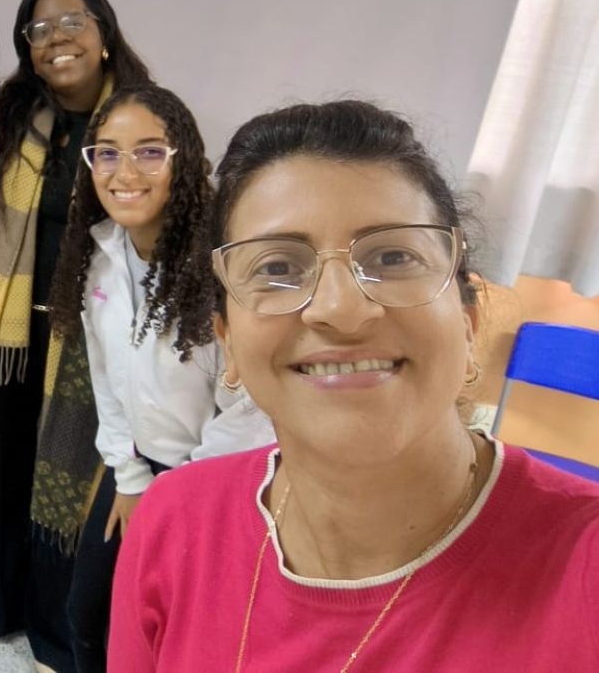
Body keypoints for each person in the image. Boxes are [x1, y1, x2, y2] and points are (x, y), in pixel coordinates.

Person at [109, 100, 599, 671]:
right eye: (277, 268)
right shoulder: (174, 521)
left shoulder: (582, 569)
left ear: (468, 326)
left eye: (392, 256)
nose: (340, 309)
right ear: (229, 343)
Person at [0, 0, 150, 673]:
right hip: (1, 329)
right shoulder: (9, 115)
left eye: (73, 23)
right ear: (27, 49)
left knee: (65, 485)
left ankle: (56, 631)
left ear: (104, 35)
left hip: (88, 340)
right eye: (39, 30)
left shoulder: (139, 123)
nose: (56, 39)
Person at [47, 84, 275, 671]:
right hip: (137, 468)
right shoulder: (100, 255)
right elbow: (106, 382)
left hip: (216, 485)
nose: (125, 172)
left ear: (184, 162)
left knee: (173, 636)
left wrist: (175, 498)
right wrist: (128, 478)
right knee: (86, 615)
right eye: (107, 153)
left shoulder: (223, 274)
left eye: (149, 151)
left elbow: (248, 414)